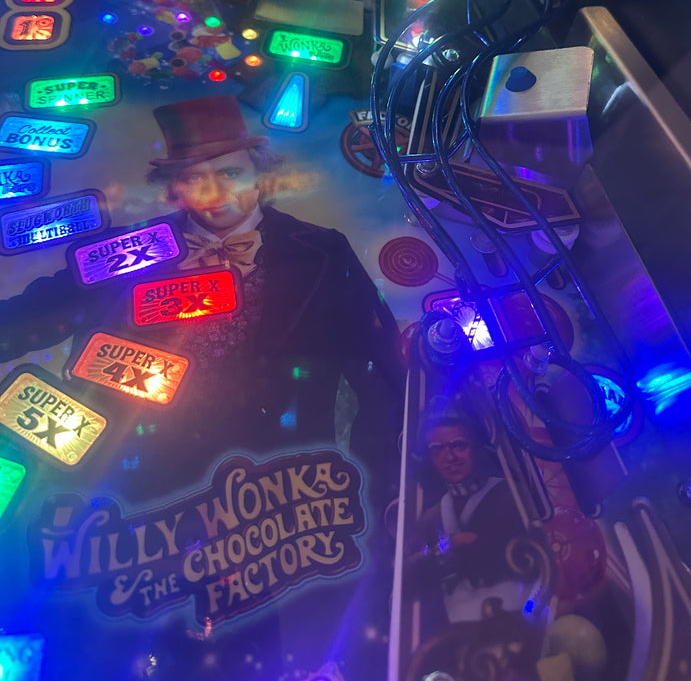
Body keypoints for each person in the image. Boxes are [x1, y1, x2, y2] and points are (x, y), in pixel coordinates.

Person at [0, 95, 404, 493]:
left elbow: (381, 368)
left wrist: (380, 483)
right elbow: (36, 315)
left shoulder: (323, 251)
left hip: (285, 481)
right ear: (173, 188)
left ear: (261, 174)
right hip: (141, 479)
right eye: (194, 178)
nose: (214, 193)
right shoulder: (125, 250)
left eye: (230, 173)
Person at [407, 400, 541, 625]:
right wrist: (453, 543)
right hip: (461, 634)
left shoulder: (511, 495)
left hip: (521, 621)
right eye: (438, 449)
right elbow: (408, 574)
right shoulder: (433, 517)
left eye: (459, 445)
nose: (449, 457)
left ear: (476, 447)